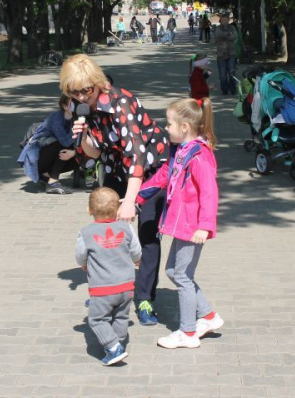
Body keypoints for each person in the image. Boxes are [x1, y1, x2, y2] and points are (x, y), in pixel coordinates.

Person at [62, 54, 169, 326]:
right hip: (114, 168)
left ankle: (145, 298)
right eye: (73, 92)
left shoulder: (122, 102)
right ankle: (108, 292)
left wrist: (130, 201)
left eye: (86, 90)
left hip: (150, 171)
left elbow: (138, 157)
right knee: (108, 230)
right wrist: (83, 135)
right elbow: (91, 155)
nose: (81, 97)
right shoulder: (82, 108)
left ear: (98, 83)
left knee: (146, 233)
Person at [137, 97, 223, 349]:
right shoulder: (180, 151)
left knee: (182, 276)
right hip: (181, 225)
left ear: (184, 127)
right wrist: (138, 195)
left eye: (170, 123)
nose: (166, 128)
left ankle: (187, 333)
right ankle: (208, 316)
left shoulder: (199, 156)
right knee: (174, 272)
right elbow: (164, 176)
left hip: (192, 226)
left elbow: (209, 192)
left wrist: (204, 226)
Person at [75, 187, 142, 366]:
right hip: (127, 285)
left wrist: (83, 263)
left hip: (102, 288)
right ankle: (118, 341)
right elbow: (136, 250)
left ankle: (113, 347)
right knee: (121, 316)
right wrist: (137, 261)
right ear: (117, 210)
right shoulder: (127, 227)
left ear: (89, 210)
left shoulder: (86, 232)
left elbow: (80, 255)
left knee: (97, 319)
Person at [17, 95, 79, 194]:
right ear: (64, 106)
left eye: (77, 104)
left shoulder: (77, 117)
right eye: (72, 104)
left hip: (51, 155)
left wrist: (74, 153)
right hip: (38, 158)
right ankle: (52, 182)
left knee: (81, 153)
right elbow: (65, 141)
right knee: (63, 145)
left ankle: (46, 176)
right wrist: (76, 129)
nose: (75, 107)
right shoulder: (56, 117)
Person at [215, 14, 238, 95]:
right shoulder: (218, 28)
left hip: (231, 54)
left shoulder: (232, 27)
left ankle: (233, 90)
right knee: (222, 75)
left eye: (226, 19)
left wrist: (225, 36)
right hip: (221, 54)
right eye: (223, 19)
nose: (224, 21)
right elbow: (218, 36)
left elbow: (234, 36)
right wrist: (228, 35)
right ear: (220, 20)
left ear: (228, 20)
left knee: (232, 73)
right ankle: (224, 90)